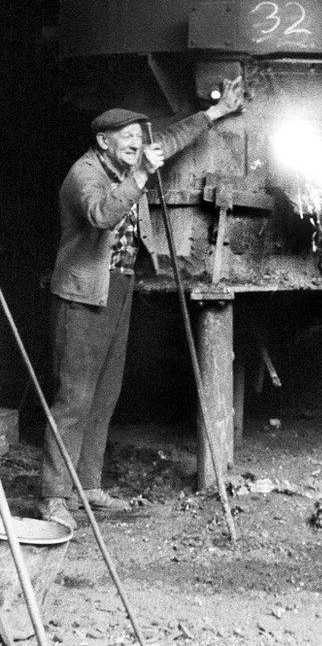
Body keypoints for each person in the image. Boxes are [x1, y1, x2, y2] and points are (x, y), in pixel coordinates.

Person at [39, 78, 244, 529]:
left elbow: (169, 139)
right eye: (128, 140)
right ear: (103, 142)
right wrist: (141, 175)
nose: (138, 145)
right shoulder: (84, 175)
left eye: (140, 139)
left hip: (119, 286)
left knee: (106, 394)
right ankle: (54, 495)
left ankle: (87, 485)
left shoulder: (129, 159)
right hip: (82, 292)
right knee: (74, 398)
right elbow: (101, 215)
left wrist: (216, 112)